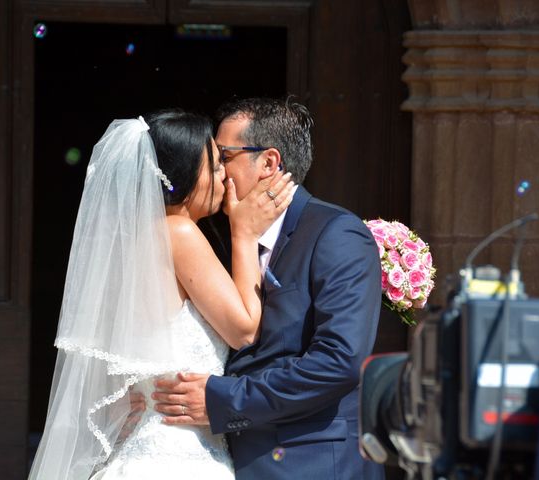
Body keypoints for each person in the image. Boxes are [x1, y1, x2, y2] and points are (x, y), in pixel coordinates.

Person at [28, 110, 294, 479]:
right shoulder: (179, 233)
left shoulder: (139, 241)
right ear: (184, 173)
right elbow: (245, 331)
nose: (225, 177)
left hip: (152, 442)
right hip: (177, 455)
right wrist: (244, 234)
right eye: (215, 165)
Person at [153, 97, 385, 479]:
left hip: (307, 462)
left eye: (224, 156)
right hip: (220, 457)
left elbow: (338, 361)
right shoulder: (219, 235)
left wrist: (224, 401)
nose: (216, 172)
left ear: (269, 163)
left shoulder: (334, 233)